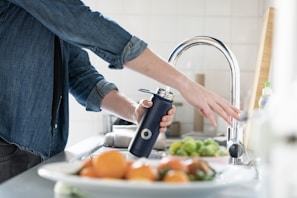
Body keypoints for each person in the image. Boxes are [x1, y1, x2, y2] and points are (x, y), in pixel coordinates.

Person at [0, 1, 240, 183]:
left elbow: (79, 74)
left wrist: (133, 111)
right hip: (7, 149)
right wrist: (184, 83)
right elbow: (84, 24)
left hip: (41, 152)